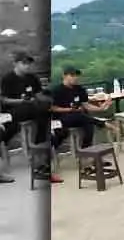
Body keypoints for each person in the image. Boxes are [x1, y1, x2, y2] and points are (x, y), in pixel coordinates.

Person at [0, 51, 56, 181]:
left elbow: (38, 95)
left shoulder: (32, 78)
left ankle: (39, 146)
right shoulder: (8, 79)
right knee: (33, 109)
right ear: (16, 64)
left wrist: (47, 97)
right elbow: (4, 100)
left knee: (45, 111)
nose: (27, 66)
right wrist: (21, 101)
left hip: (32, 108)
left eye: (28, 63)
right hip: (14, 109)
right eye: (24, 63)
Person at [49, 66, 114, 175]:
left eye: (76, 76)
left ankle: (87, 158)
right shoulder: (57, 90)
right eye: (72, 75)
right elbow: (52, 108)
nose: (75, 78)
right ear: (65, 76)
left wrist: (101, 108)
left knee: (89, 126)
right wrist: (69, 109)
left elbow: (86, 105)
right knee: (81, 116)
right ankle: (102, 123)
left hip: (79, 117)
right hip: (61, 118)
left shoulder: (79, 89)